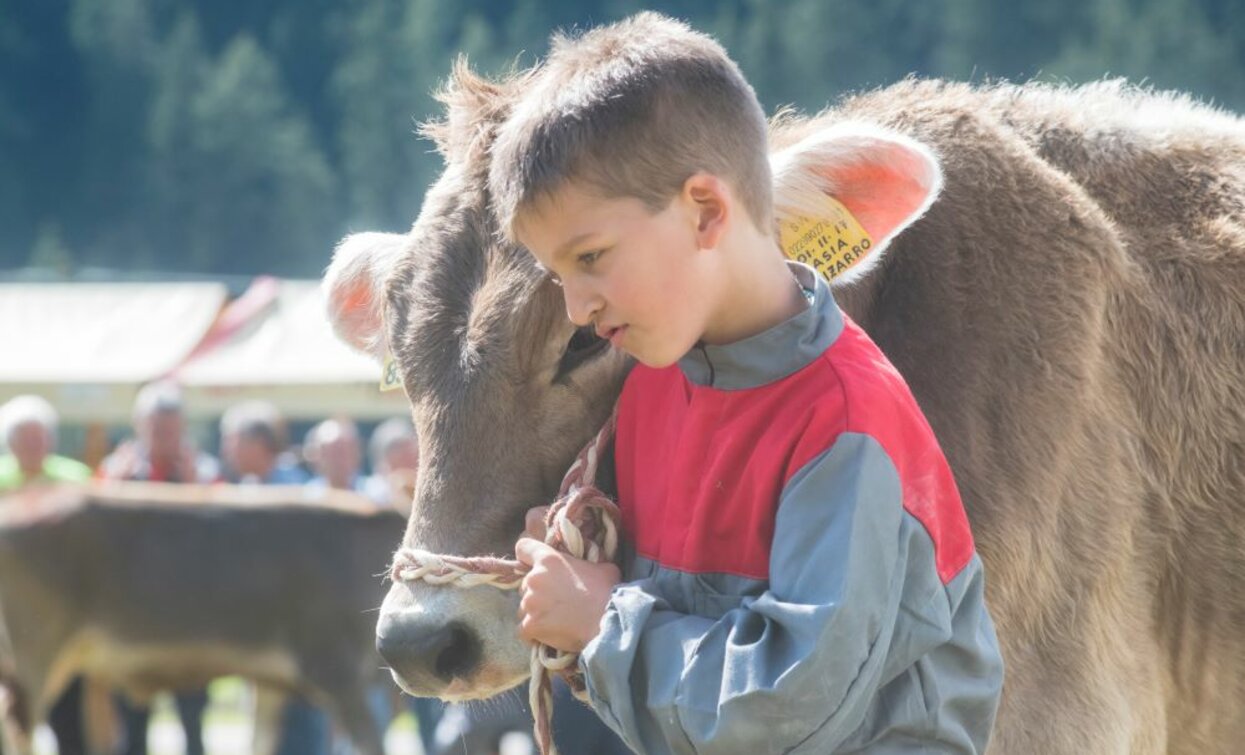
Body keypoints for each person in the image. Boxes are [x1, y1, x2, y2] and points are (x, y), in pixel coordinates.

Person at [495, 13, 1004, 754]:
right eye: (557, 274)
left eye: (592, 255)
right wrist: (581, 565)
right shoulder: (647, 395)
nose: (577, 306)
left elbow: (784, 709)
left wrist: (603, 619)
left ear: (704, 211)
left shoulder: (845, 420)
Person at [97, 382, 218, 755]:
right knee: (132, 730)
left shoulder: (204, 472)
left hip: (188, 622)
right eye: (155, 427)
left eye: (169, 428)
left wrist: (196, 487)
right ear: (139, 426)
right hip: (134, 622)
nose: (162, 436)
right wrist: (114, 490)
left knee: (193, 724)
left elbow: (223, 540)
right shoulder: (116, 473)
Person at [217, 401, 331, 755]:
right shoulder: (251, 489)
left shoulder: (294, 492)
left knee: (300, 728)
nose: (227, 450)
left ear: (257, 444)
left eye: (233, 441)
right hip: (265, 635)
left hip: (297, 640)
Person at [0, 395, 91, 754]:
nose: (33, 447)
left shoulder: (76, 481)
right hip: (8, 618)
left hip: (63, 616)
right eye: (25, 438)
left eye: (39, 438)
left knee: (68, 707)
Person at [0, 395, 90, 491]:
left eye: (37, 439)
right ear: (10, 443)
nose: (31, 446)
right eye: (24, 440)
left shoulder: (75, 475)